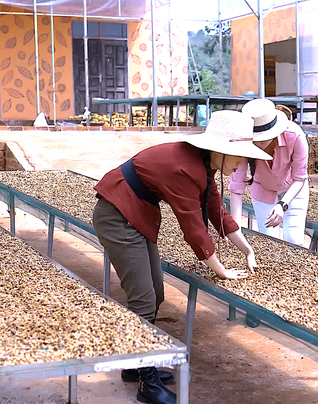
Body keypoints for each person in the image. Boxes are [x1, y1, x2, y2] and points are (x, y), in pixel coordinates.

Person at [93, 111, 272, 404]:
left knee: (156, 292)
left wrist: (247, 250)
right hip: (118, 215)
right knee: (143, 298)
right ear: (221, 149)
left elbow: (216, 210)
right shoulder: (185, 169)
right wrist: (221, 269)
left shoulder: (204, 164)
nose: (242, 163)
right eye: (239, 156)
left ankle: (135, 364)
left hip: (136, 214)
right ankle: (147, 384)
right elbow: (193, 226)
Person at [229, 98, 309, 246]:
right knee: (269, 241)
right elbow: (237, 186)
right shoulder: (242, 142)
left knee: (294, 240)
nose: (258, 142)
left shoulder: (295, 135)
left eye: (262, 139)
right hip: (262, 188)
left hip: (293, 189)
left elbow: (299, 178)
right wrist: (235, 230)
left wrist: (282, 204)